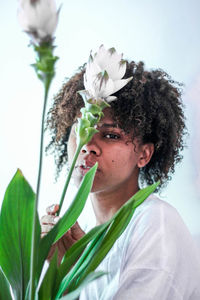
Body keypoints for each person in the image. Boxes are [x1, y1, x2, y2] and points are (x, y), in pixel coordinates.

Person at [41, 49, 200, 299]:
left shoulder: (155, 224)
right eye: (80, 127)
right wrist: (74, 269)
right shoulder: (86, 234)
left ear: (144, 155)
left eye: (111, 135)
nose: (87, 144)